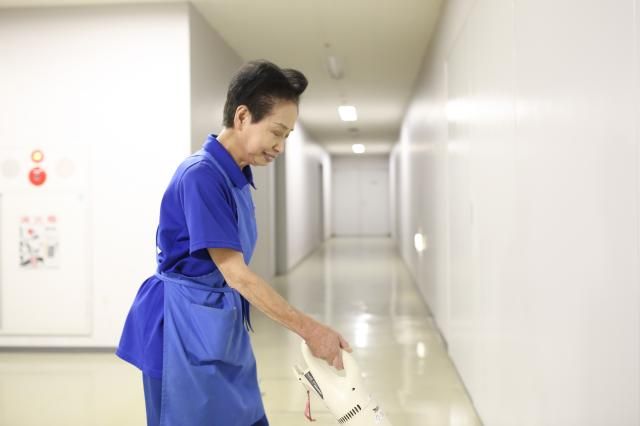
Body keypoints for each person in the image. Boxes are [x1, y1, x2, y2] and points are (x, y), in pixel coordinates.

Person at [115, 60, 352, 426]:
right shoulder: (202, 176)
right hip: (180, 328)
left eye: (287, 136)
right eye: (277, 132)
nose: (280, 146)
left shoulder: (236, 176)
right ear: (242, 117)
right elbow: (236, 274)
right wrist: (311, 330)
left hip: (215, 324)